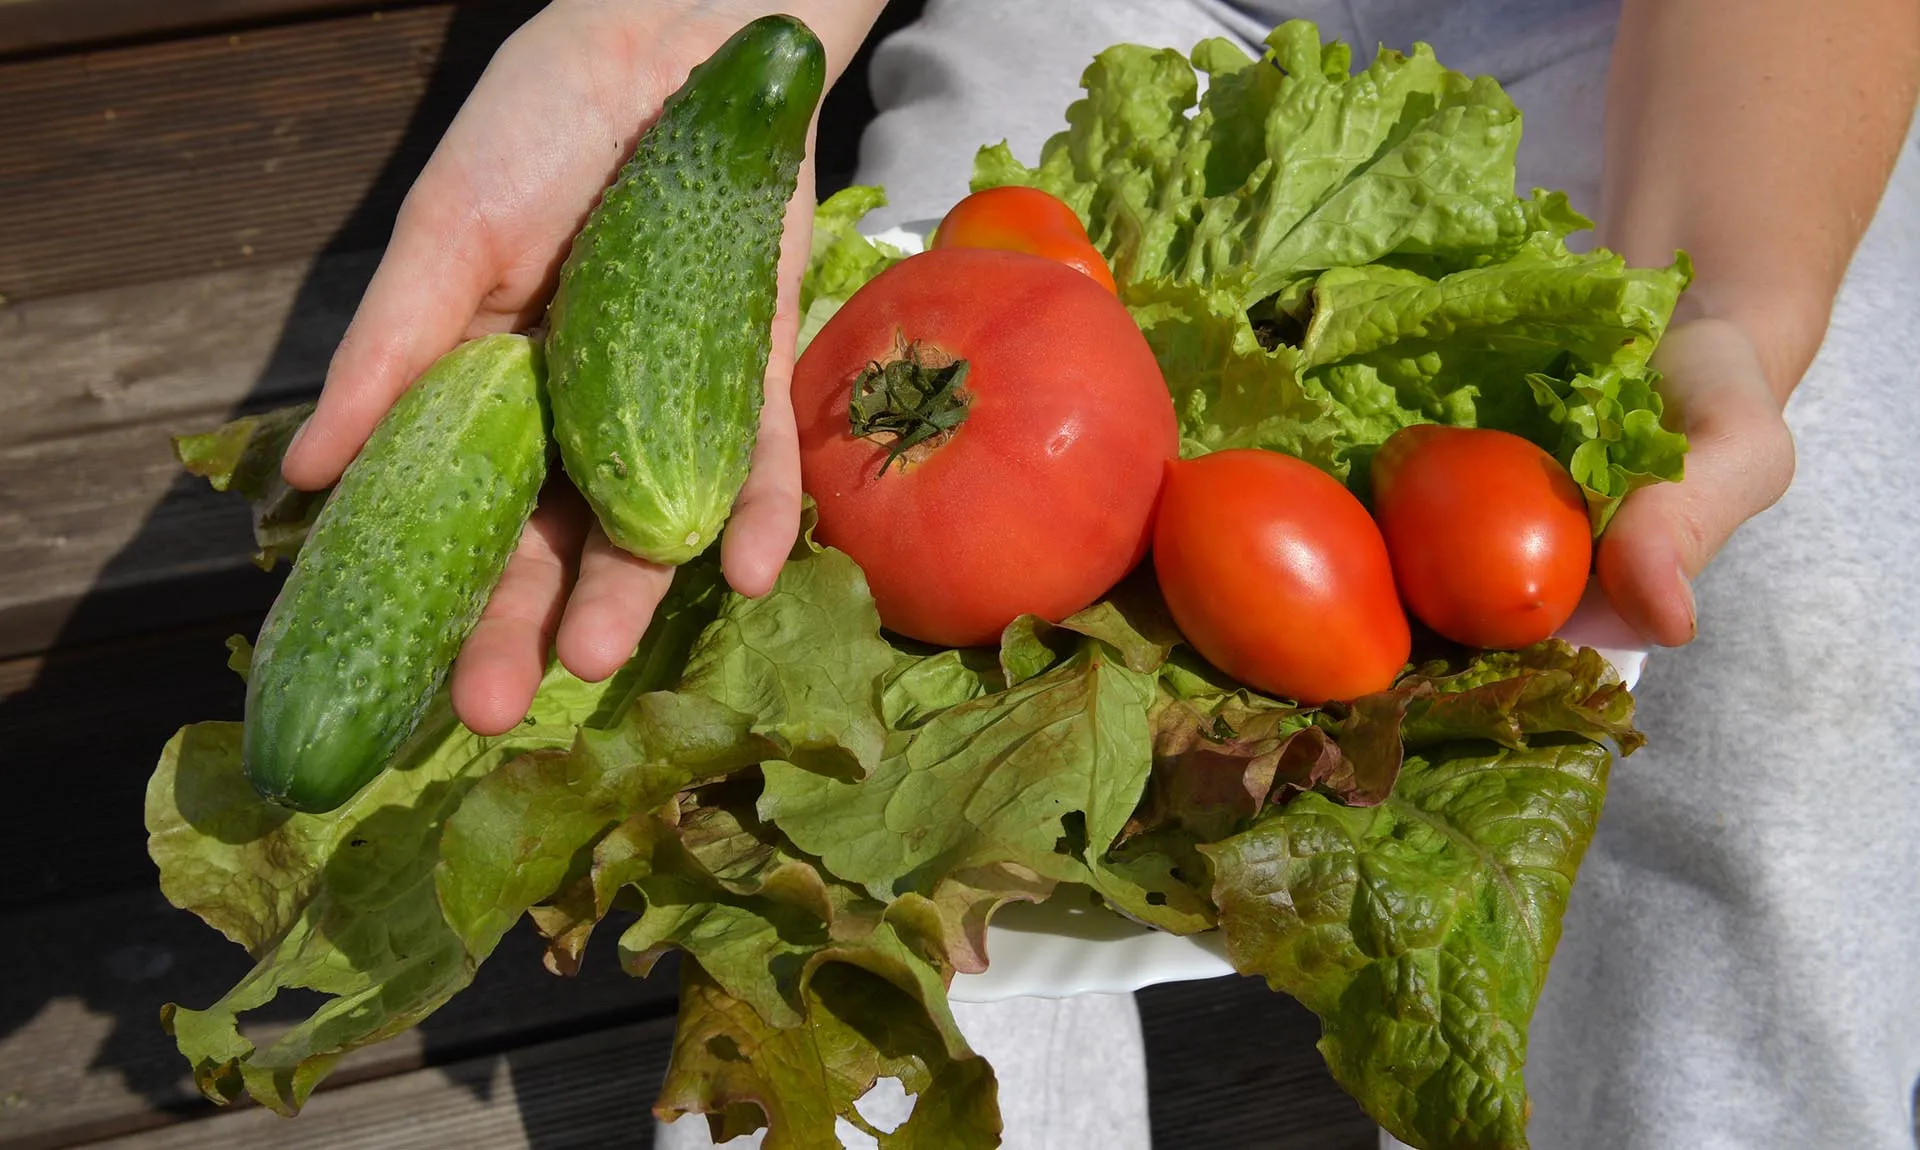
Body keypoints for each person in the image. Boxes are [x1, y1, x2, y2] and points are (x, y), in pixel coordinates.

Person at [280, 1, 1920, 1146]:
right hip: (1081, 16)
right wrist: (681, 40)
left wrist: (1734, 308)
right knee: (832, 801)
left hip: (1697, 52)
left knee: (1789, 680)